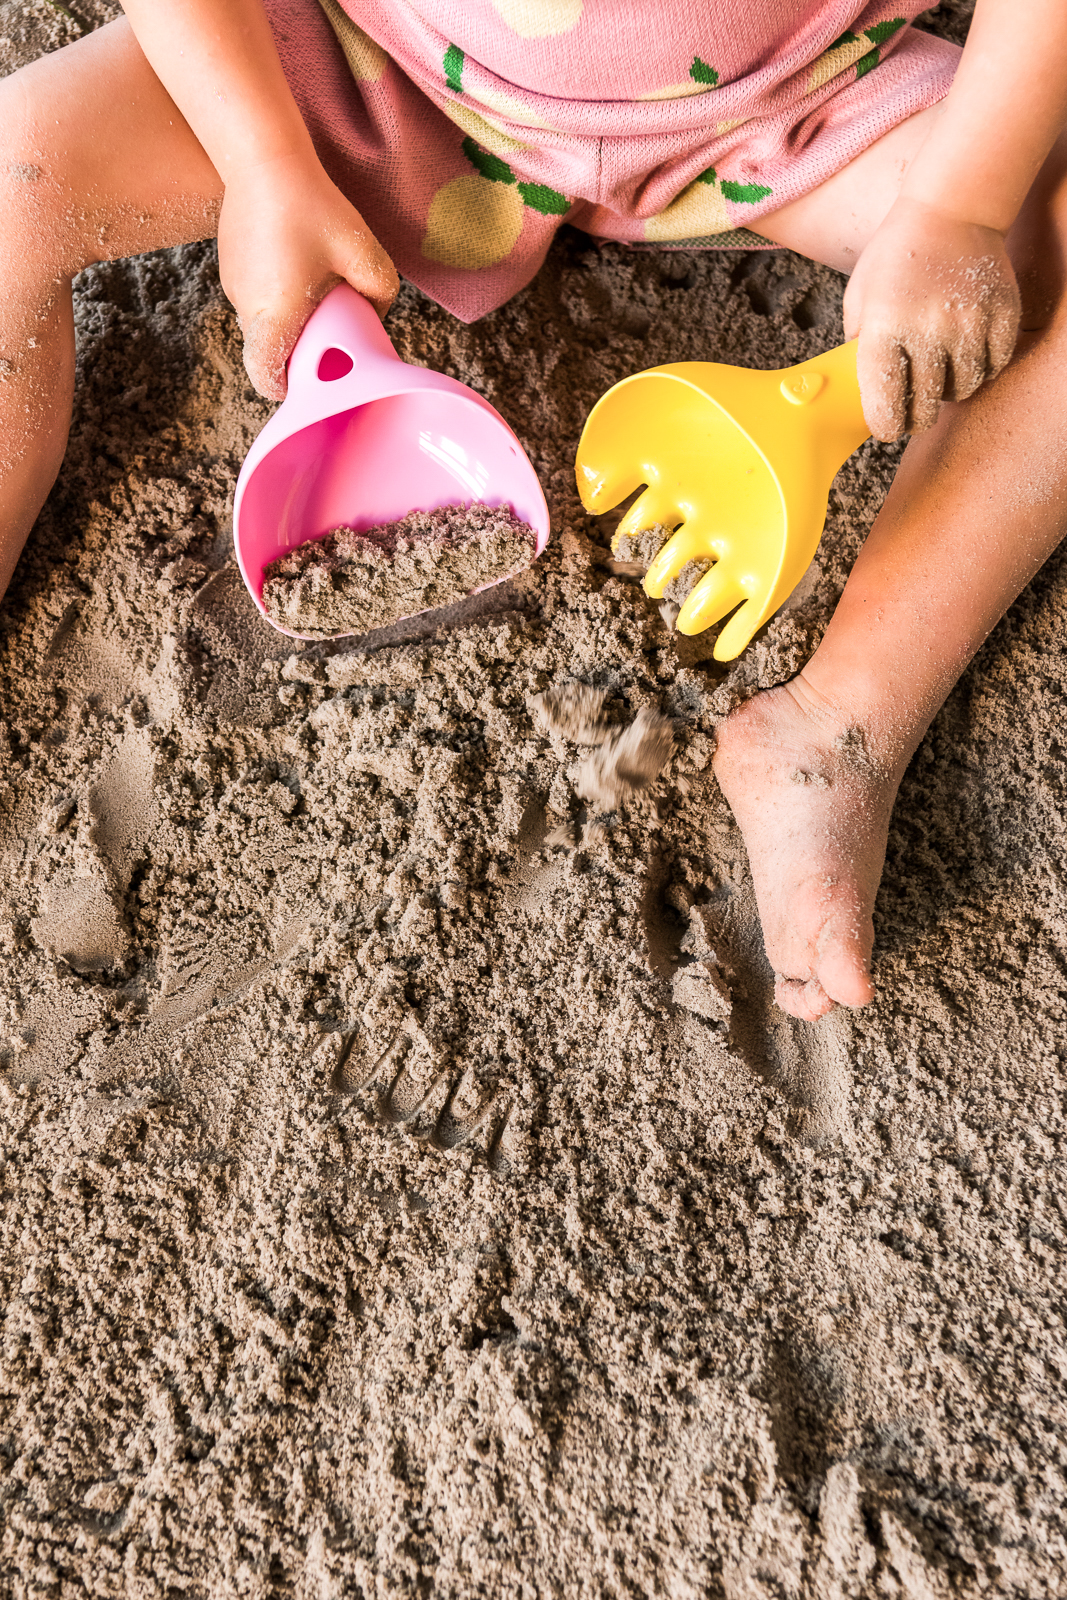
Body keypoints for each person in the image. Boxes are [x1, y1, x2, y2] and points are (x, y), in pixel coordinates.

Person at [1, 1, 1065, 1021]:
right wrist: (260, 159)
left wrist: (959, 203)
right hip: (370, 63)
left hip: (779, 96)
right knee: (22, 168)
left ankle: (837, 727)